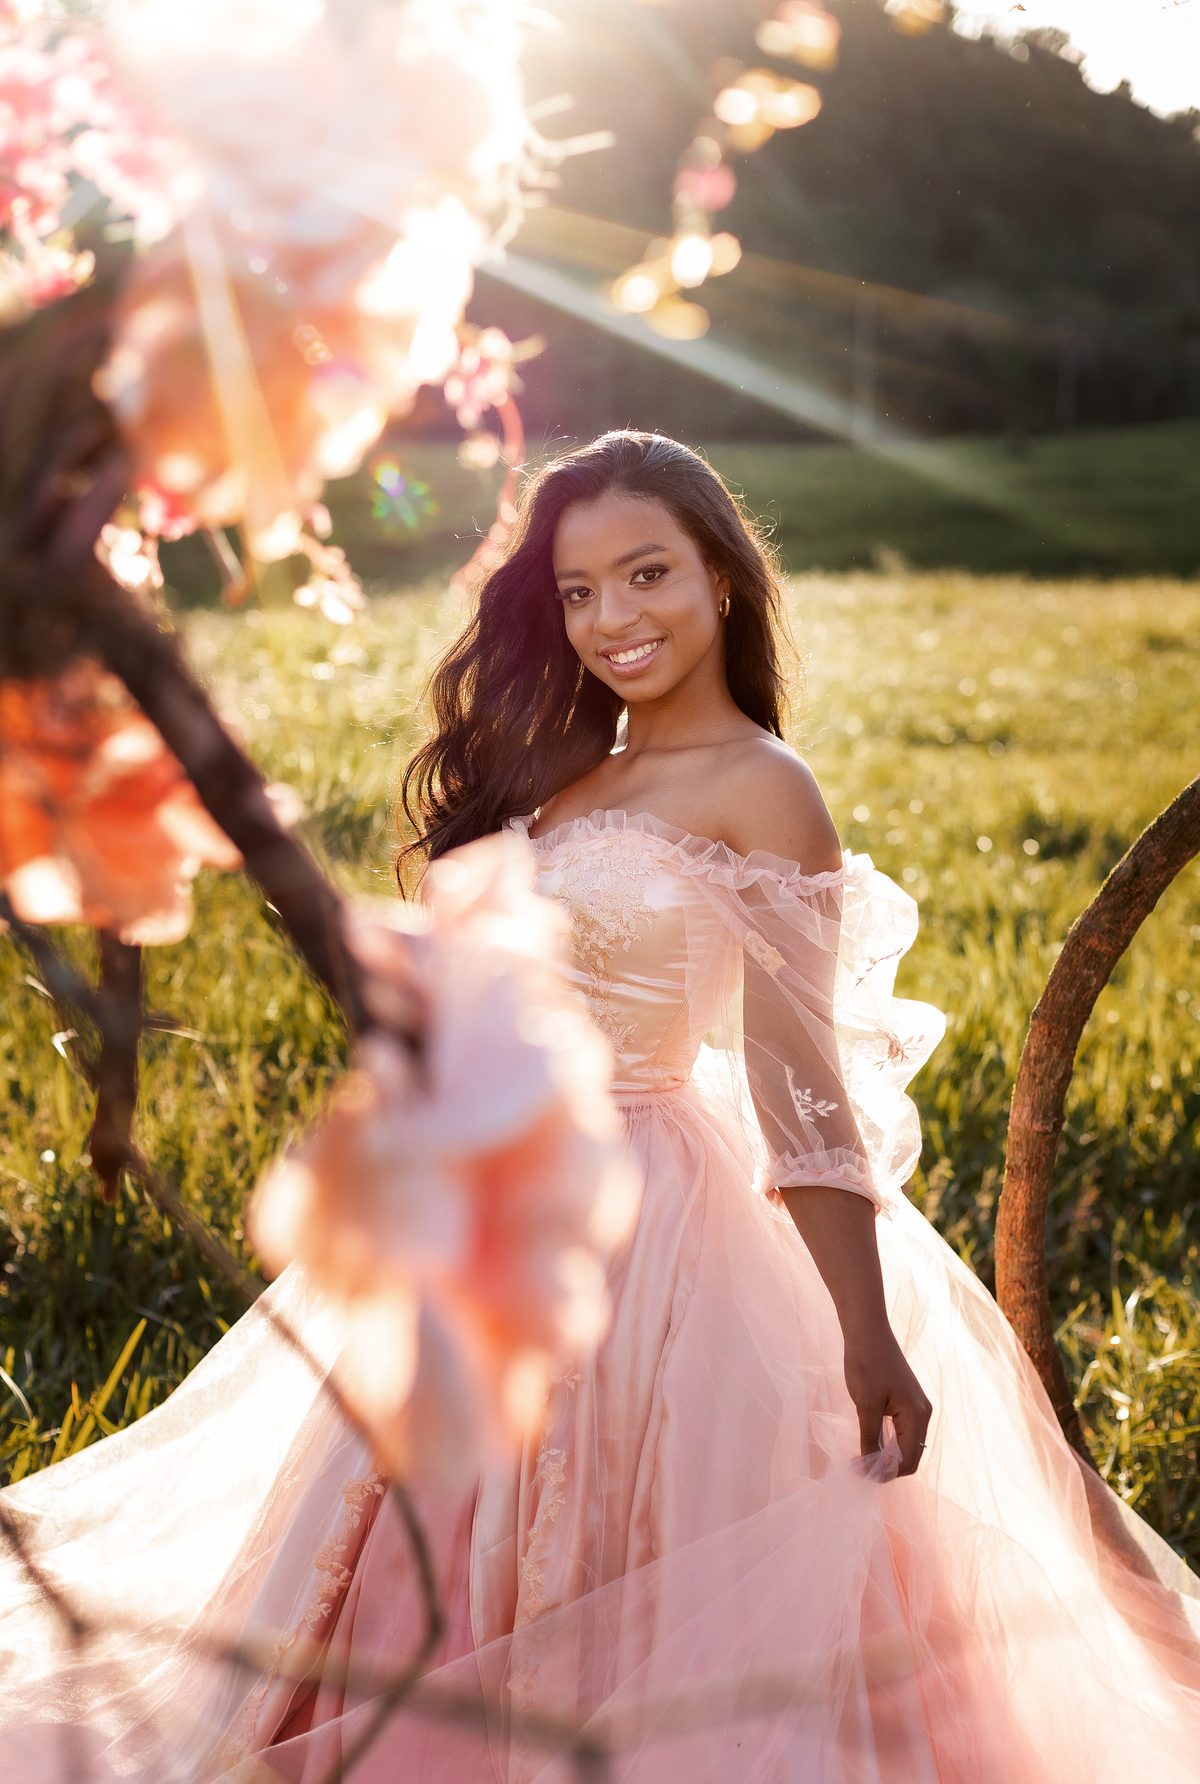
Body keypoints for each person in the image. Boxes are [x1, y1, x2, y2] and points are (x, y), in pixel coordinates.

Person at [1, 432, 1198, 1783]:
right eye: (579, 593)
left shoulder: (763, 786)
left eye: (647, 576)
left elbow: (797, 1080)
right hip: (489, 1200)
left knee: (633, 1537)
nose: (615, 620)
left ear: (723, 581)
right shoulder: (561, 765)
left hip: (657, 1216)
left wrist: (865, 1331)